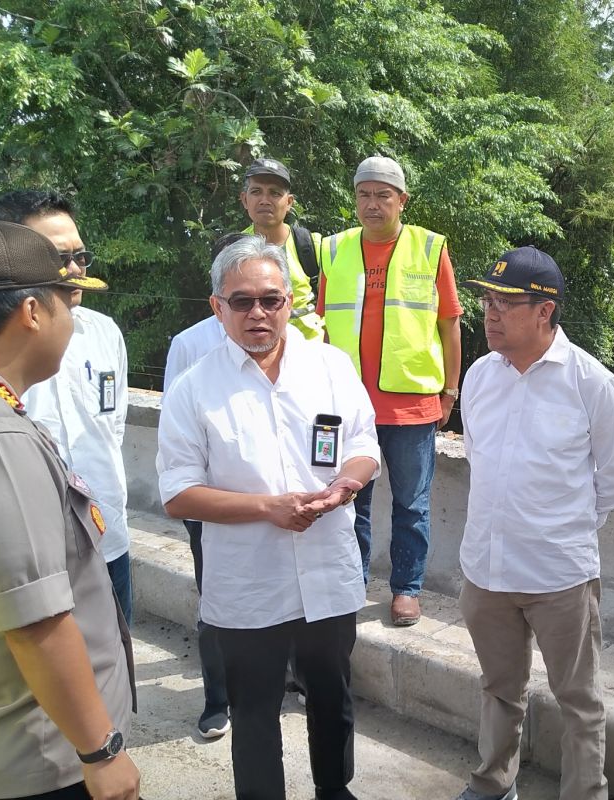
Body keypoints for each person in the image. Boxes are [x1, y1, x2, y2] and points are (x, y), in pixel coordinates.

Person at [0, 220, 138, 800]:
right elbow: (36, 621)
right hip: (44, 753)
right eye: (68, 299)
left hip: (19, 736)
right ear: (33, 312)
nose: (75, 317)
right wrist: (102, 751)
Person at [157, 236, 379, 800]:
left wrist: (344, 486)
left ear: (289, 304)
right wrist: (267, 509)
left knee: (332, 695)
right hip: (248, 585)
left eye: (271, 299)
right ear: (217, 307)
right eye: (241, 301)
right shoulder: (195, 389)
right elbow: (179, 494)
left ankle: (336, 789)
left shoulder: (329, 366)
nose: (258, 312)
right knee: (253, 710)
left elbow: (363, 444)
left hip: (326, 570)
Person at [455, 248, 614, 800]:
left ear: (545, 311)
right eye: (487, 300)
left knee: (579, 699)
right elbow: (480, 463)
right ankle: (493, 784)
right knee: (499, 689)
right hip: (485, 571)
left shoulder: (590, 383)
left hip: (559, 575)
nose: (489, 313)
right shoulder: (480, 377)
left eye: (506, 303)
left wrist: (564, 526)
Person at [317, 155, 463, 626]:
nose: (372, 204)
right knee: (349, 499)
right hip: (347, 404)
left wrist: (450, 390)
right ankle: (352, 582)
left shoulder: (429, 247)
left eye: (383, 195)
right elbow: (316, 330)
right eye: (364, 194)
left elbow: (449, 324)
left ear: (402, 200)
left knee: (412, 503)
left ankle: (406, 588)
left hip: (412, 403)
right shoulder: (334, 250)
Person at [159, 231, 251, 740]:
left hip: (279, 502)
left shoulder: (293, 337)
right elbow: (176, 430)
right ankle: (218, 699)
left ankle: (293, 679)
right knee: (214, 599)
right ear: (217, 291)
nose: (254, 305)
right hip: (212, 507)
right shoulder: (190, 344)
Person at [240, 157, 324, 340]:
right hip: (253, 352)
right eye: (256, 192)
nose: (264, 200)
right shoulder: (234, 250)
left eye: (275, 193)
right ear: (244, 200)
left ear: (289, 202)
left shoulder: (312, 246)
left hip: (307, 352)